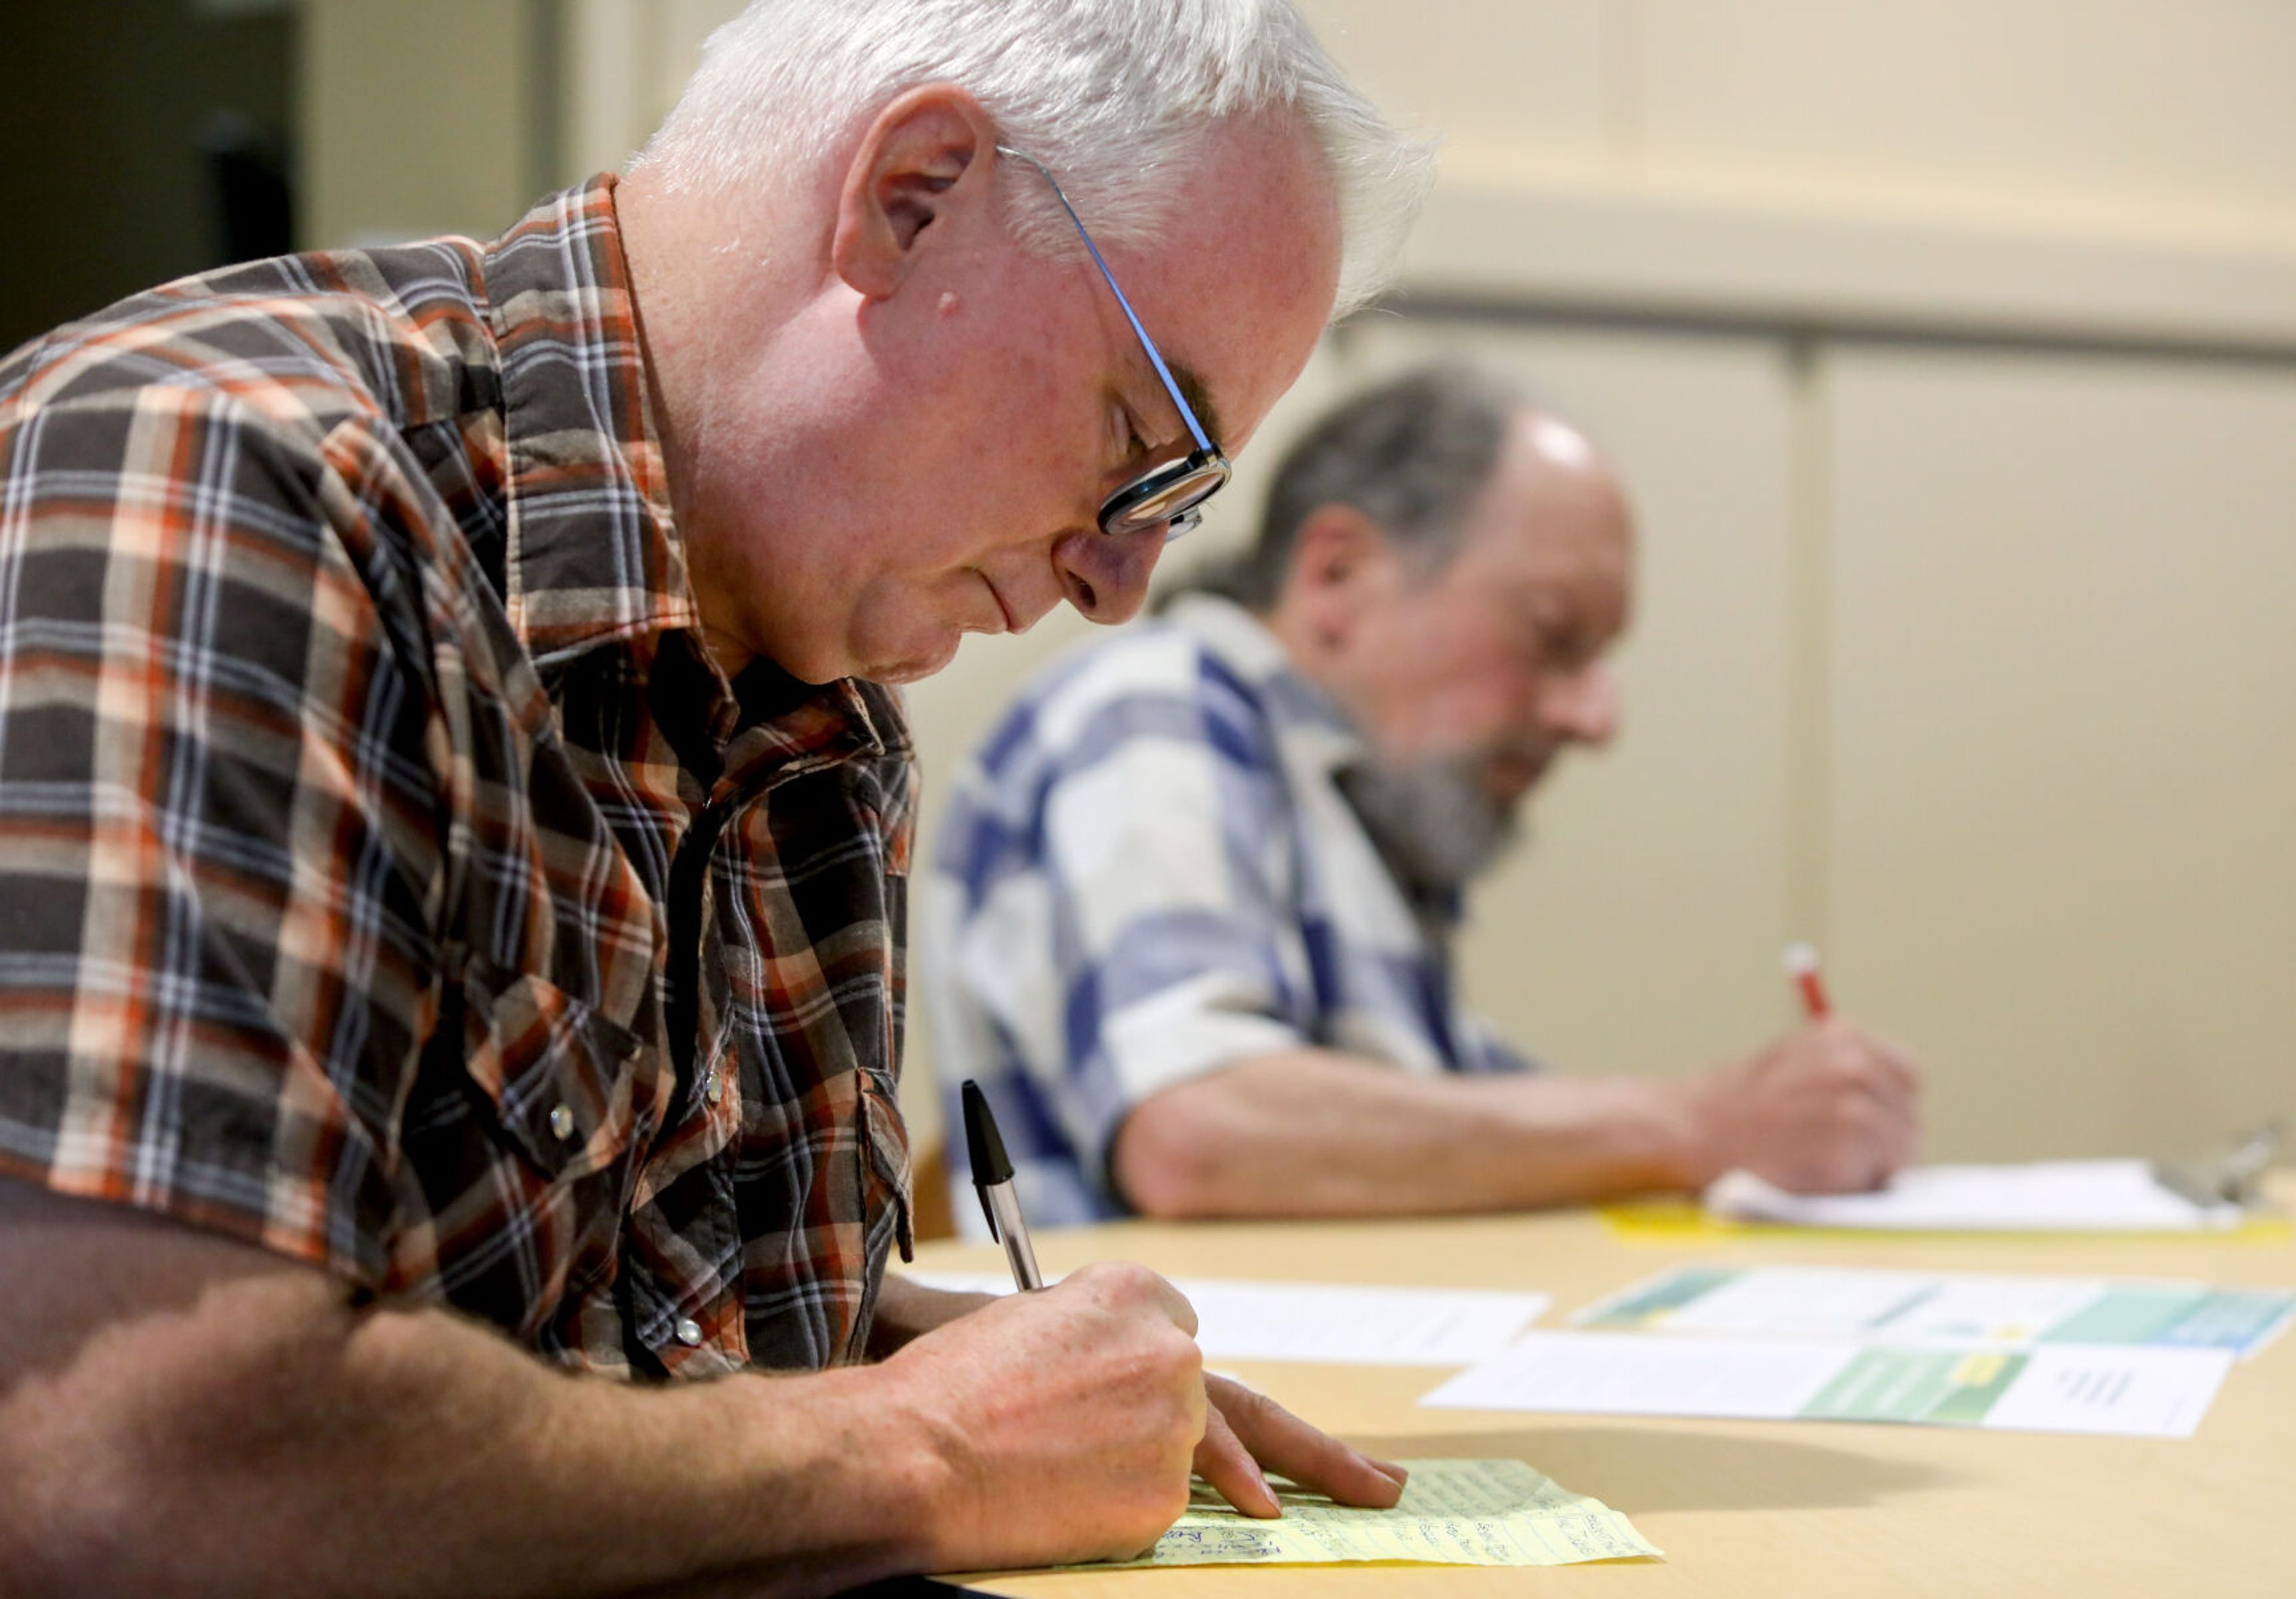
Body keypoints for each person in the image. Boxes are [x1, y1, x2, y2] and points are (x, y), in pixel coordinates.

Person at [0, 3, 1436, 1592]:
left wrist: (955, 1371)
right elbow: (128, 1466)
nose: (1119, 579)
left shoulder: (813, 689)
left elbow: (539, 1286)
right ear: (912, 195)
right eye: (1141, 445)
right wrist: (924, 1450)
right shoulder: (229, 485)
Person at [926, 364, 1922, 1227]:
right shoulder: (1156, 708)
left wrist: (1744, 1126)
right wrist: (1703, 1124)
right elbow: (1197, 1127)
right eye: (1551, 634)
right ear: (1339, 575)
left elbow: (1450, 1119)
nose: (1595, 716)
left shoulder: (1353, 802)